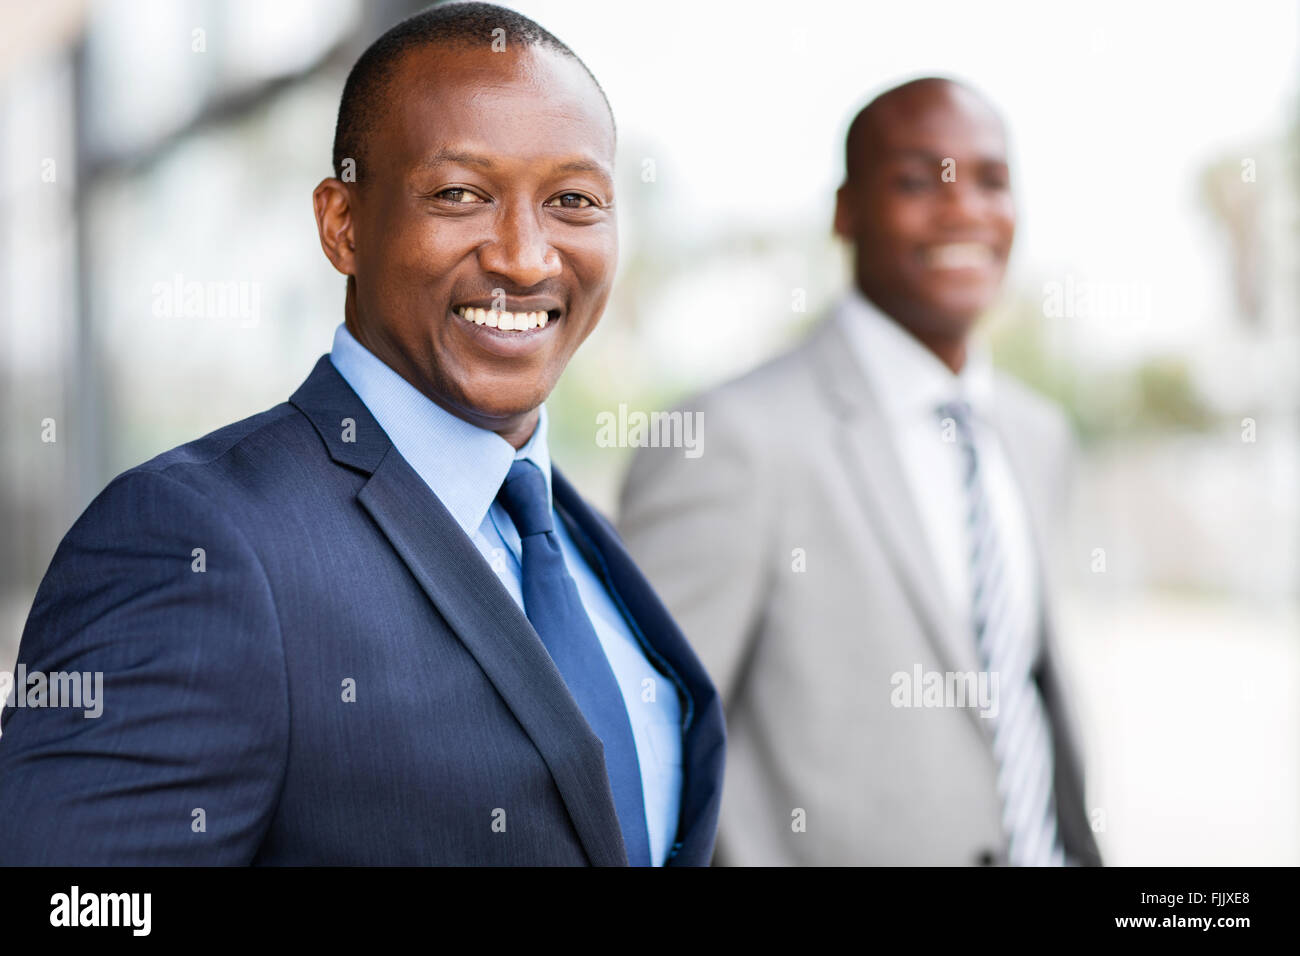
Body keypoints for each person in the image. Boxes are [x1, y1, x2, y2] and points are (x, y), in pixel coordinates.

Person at [0, 2, 723, 867]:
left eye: (574, 200)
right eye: (460, 194)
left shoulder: (575, 543)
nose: (527, 258)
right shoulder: (195, 542)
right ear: (342, 223)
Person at [618, 77, 1101, 867]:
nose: (964, 210)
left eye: (991, 180)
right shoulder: (730, 438)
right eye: (918, 181)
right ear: (845, 211)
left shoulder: (1036, 435)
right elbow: (642, 751)